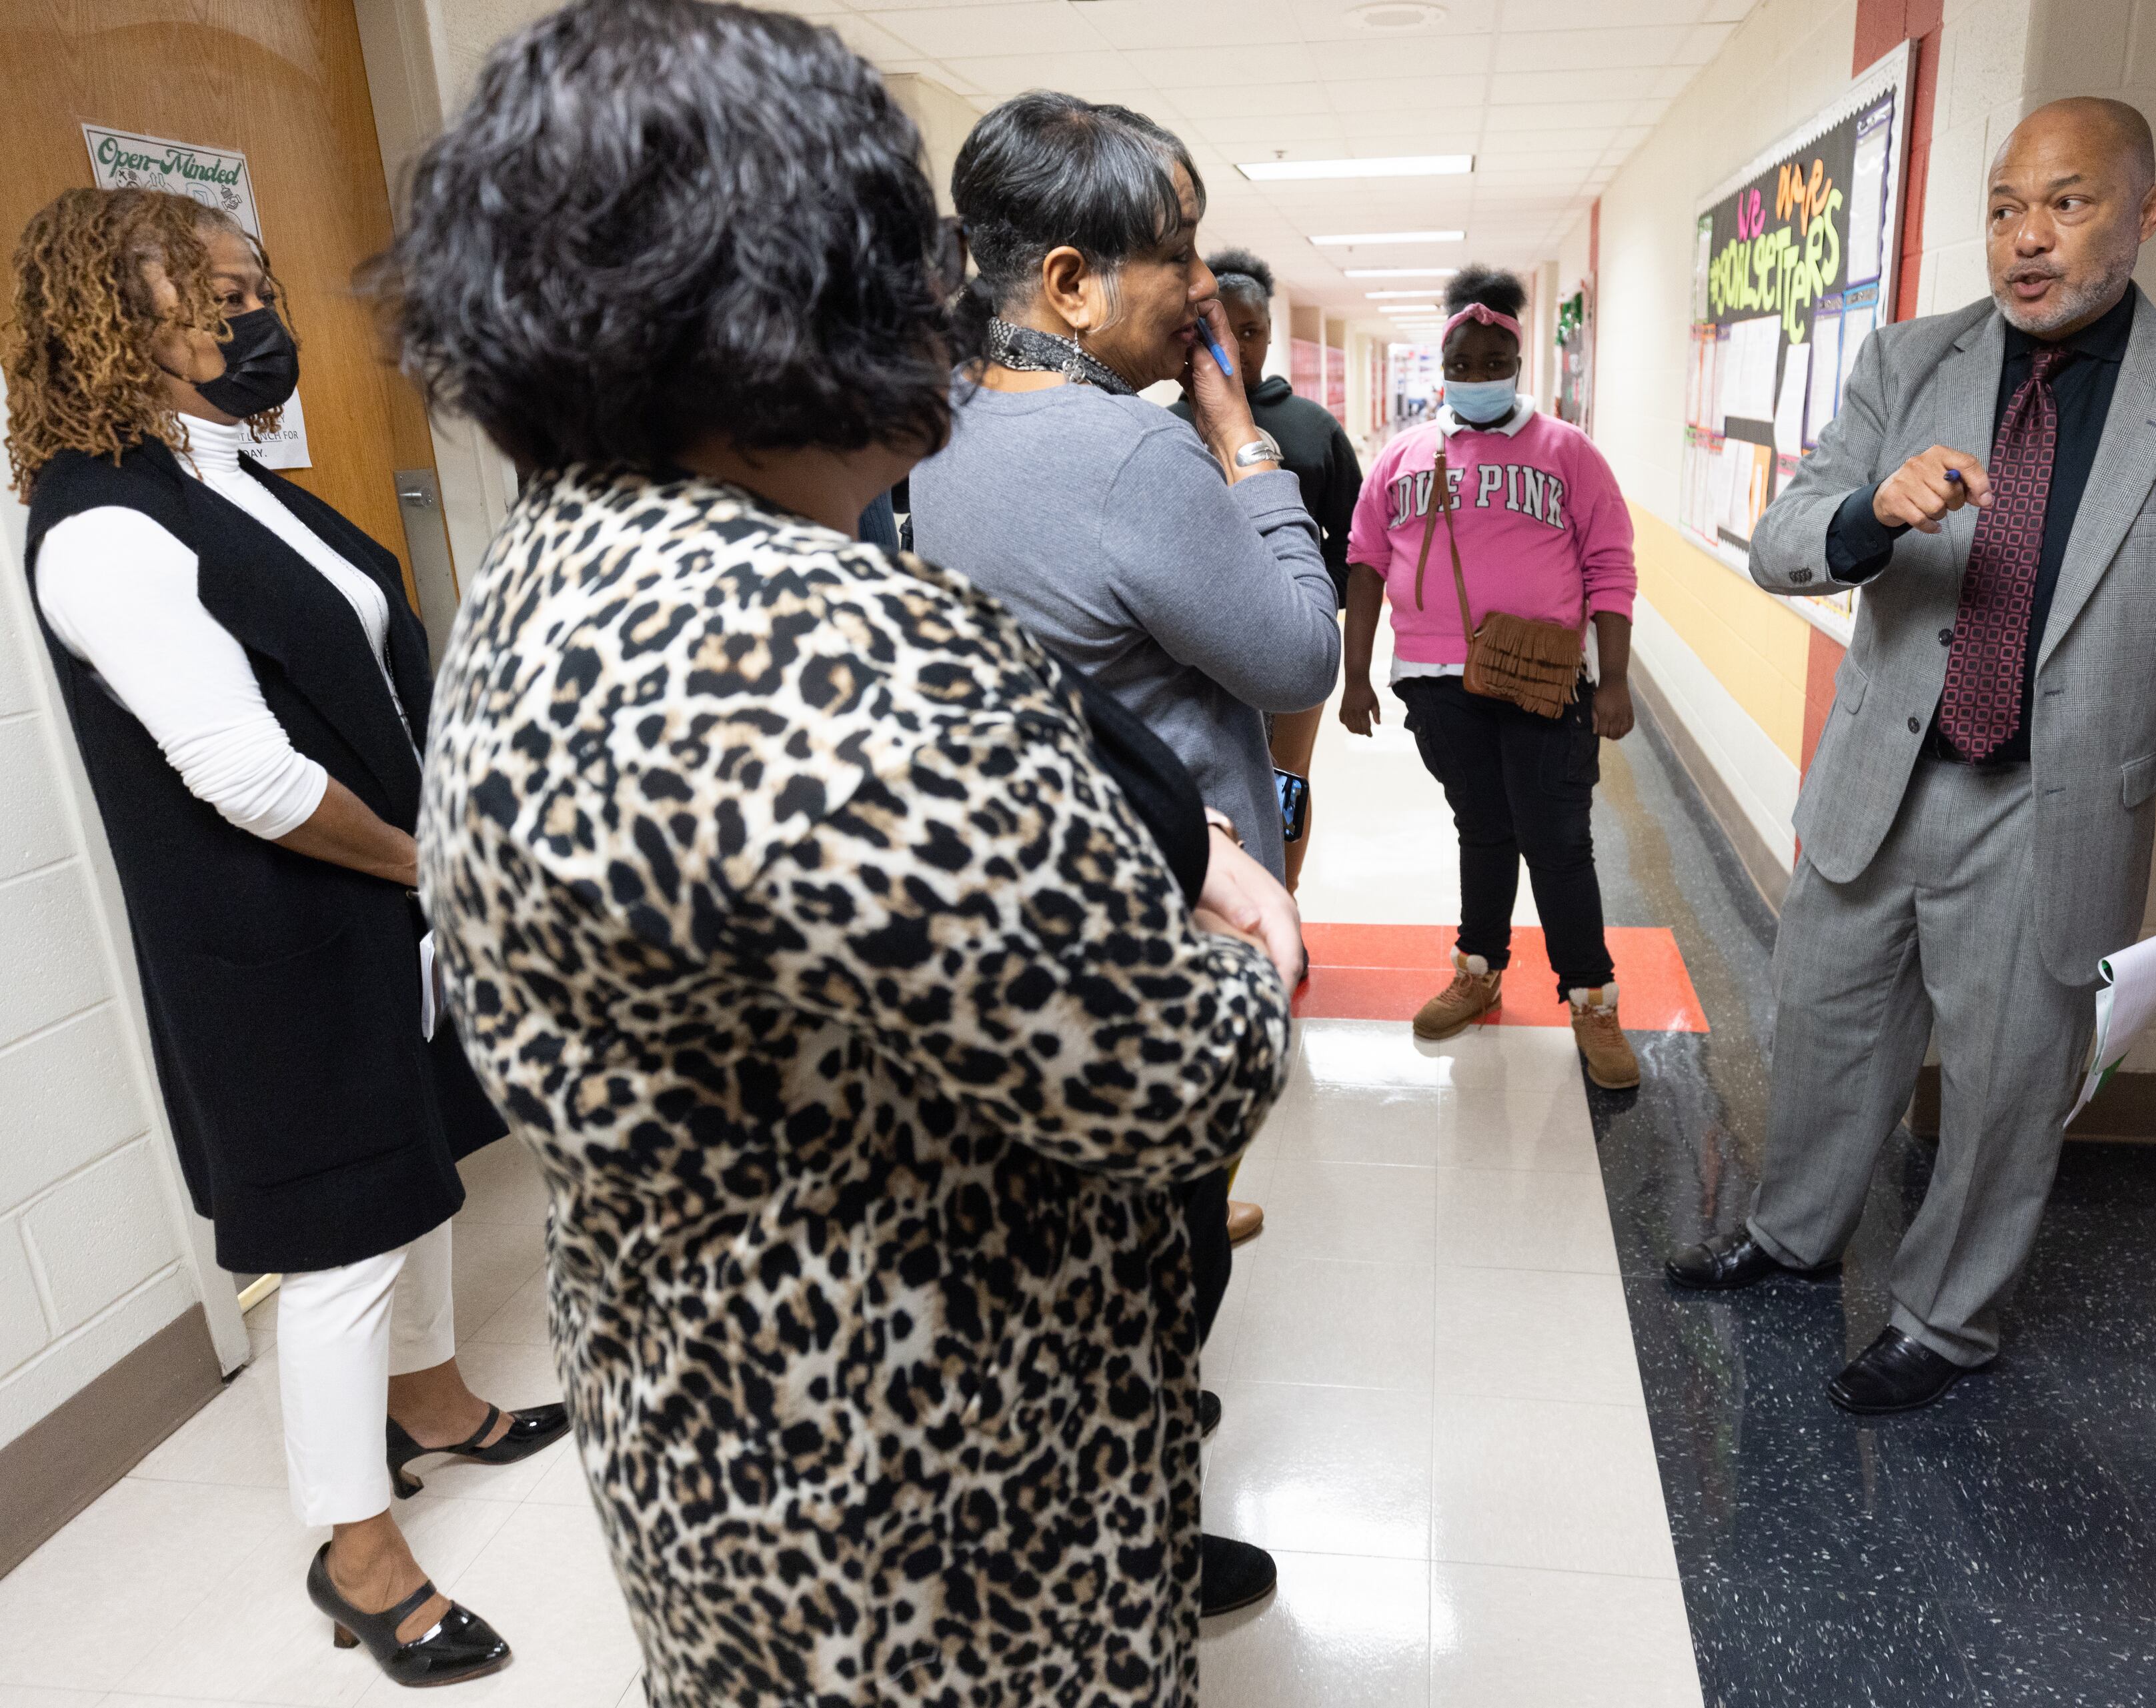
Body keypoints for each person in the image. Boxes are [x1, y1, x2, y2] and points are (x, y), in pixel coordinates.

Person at [380, 5, 1300, 1702]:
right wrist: (1248, 943)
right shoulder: (818, 648)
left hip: (709, 1434)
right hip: (931, 1516)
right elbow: (1165, 1076)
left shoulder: (540, 573)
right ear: (813, 294)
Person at [1665, 97, 2156, 1415]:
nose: (2028, 239)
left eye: (2068, 203)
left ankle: (1946, 1318)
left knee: (2009, 1082)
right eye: (2005, 207)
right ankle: (1796, 1232)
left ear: (2147, 209)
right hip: (1881, 783)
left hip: (2052, 804)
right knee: (1825, 1029)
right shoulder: (1907, 359)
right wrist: (1869, 510)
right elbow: (1787, 537)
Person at [6, 187, 560, 1687]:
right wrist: (428, 862)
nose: (256, 321)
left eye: (256, 288)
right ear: (116, 322)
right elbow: (243, 772)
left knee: (415, 1173)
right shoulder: (99, 523)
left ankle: (434, 1400)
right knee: (334, 1247)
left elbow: (362, 676)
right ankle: (357, 1550)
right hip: (280, 935)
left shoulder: (230, 477)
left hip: (370, 913)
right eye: (216, 296)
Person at [910, 92, 1342, 1491]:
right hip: (1166, 913)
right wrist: (1240, 438)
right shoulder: (1132, 450)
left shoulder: (943, 428)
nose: (1206, 284)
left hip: (1035, 911)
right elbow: (1296, 654)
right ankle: (1136, 1503)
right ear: (1069, 283)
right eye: (1178, 248)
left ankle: (1117, 1453)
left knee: (1085, 1248)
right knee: (1172, 1252)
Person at [1338, 265, 1643, 1089]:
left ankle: (1591, 997)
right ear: (1444, 368)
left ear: (1517, 362)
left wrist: (1612, 678)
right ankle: (1479, 965)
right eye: (1461, 365)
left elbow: (1610, 565)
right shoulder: (1403, 455)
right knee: (1482, 826)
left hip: (1543, 680)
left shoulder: (1568, 453)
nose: (1475, 377)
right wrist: (1356, 674)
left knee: (1556, 838)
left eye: (1491, 362)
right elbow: (1365, 562)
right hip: (1435, 680)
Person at [1169, 248, 1362, 897]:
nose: (1236, 347)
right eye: (1220, 329)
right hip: (1197, 647)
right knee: (1213, 778)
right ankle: (1228, 904)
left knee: (1286, 778)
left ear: (1269, 334)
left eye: (1250, 331)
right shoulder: (1164, 430)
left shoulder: (1312, 430)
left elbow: (1356, 541)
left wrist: (1321, 600)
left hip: (1293, 633)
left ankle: (1285, 895)